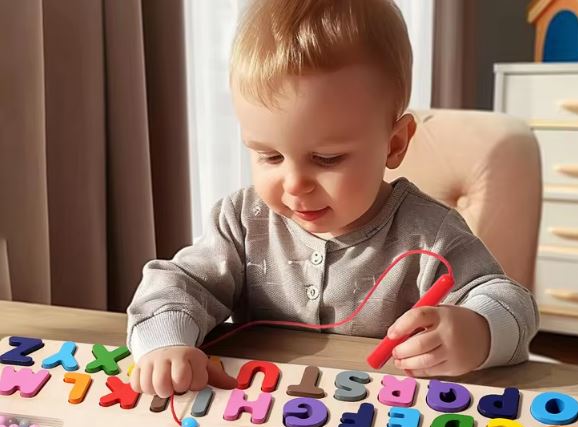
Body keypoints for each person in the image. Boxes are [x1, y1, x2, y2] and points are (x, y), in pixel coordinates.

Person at [127, 0, 538, 399]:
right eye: (269, 155)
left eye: (325, 159)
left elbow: (510, 302)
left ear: (394, 144)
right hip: (261, 412)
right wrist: (165, 344)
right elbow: (176, 284)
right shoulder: (241, 220)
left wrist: (477, 331)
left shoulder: (432, 235)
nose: (294, 184)